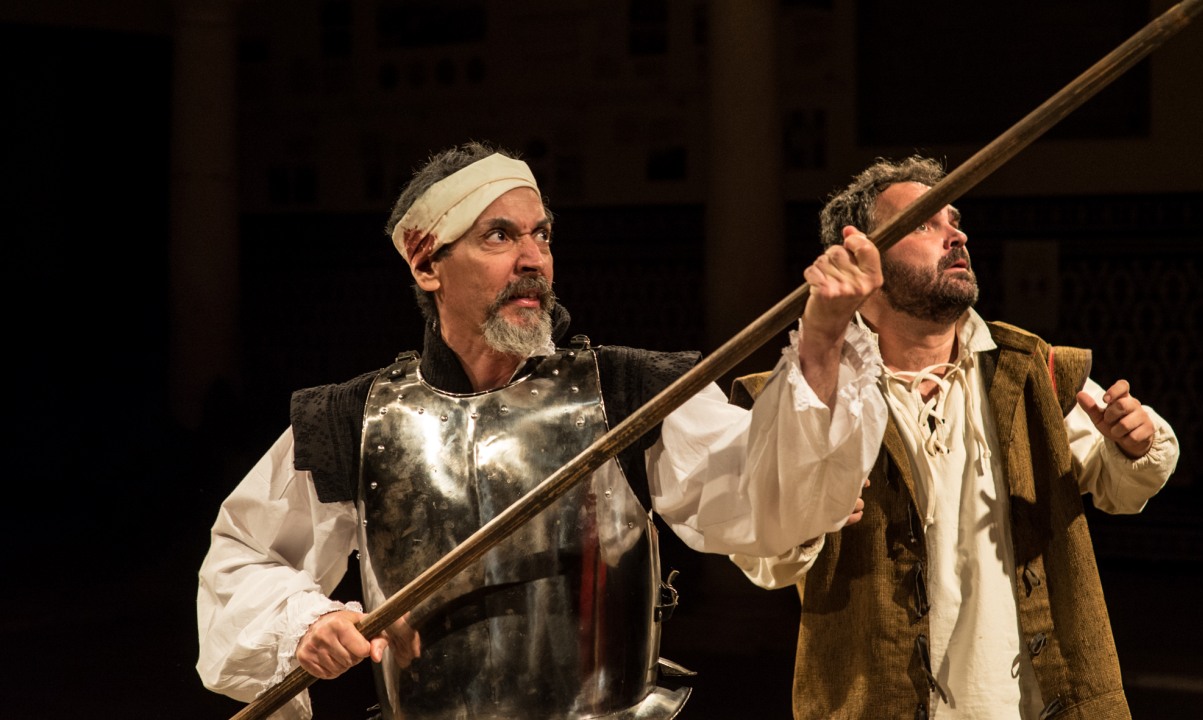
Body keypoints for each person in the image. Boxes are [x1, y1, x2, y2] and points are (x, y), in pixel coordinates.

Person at [196, 140, 890, 720]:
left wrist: (823, 341)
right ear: (427, 264)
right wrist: (307, 621)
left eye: (542, 235)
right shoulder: (355, 418)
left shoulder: (628, 393)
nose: (533, 259)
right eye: (500, 236)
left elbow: (768, 500)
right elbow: (242, 558)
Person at [727, 155, 1180, 720]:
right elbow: (764, 558)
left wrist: (1134, 443)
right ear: (860, 253)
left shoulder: (1027, 369)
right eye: (924, 224)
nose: (956, 235)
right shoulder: (806, 397)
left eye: (954, 220)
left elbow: (1123, 486)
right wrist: (804, 502)